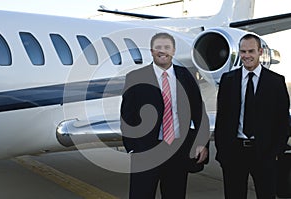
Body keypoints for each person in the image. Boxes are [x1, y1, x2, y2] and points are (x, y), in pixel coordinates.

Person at [120, 32, 210, 199]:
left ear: (173, 51)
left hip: (177, 150)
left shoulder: (186, 77)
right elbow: (127, 117)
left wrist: (201, 143)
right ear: (151, 51)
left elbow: (199, 114)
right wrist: (133, 148)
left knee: (175, 194)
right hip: (147, 151)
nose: (163, 51)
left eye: (167, 47)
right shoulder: (136, 77)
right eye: (158, 48)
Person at [214, 33, 290, 199]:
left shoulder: (275, 82)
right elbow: (222, 119)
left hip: (264, 153)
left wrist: (275, 152)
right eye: (243, 51)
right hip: (234, 153)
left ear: (260, 52)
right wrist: (223, 152)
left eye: (251, 51)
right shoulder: (228, 80)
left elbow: (283, 121)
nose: (246, 56)